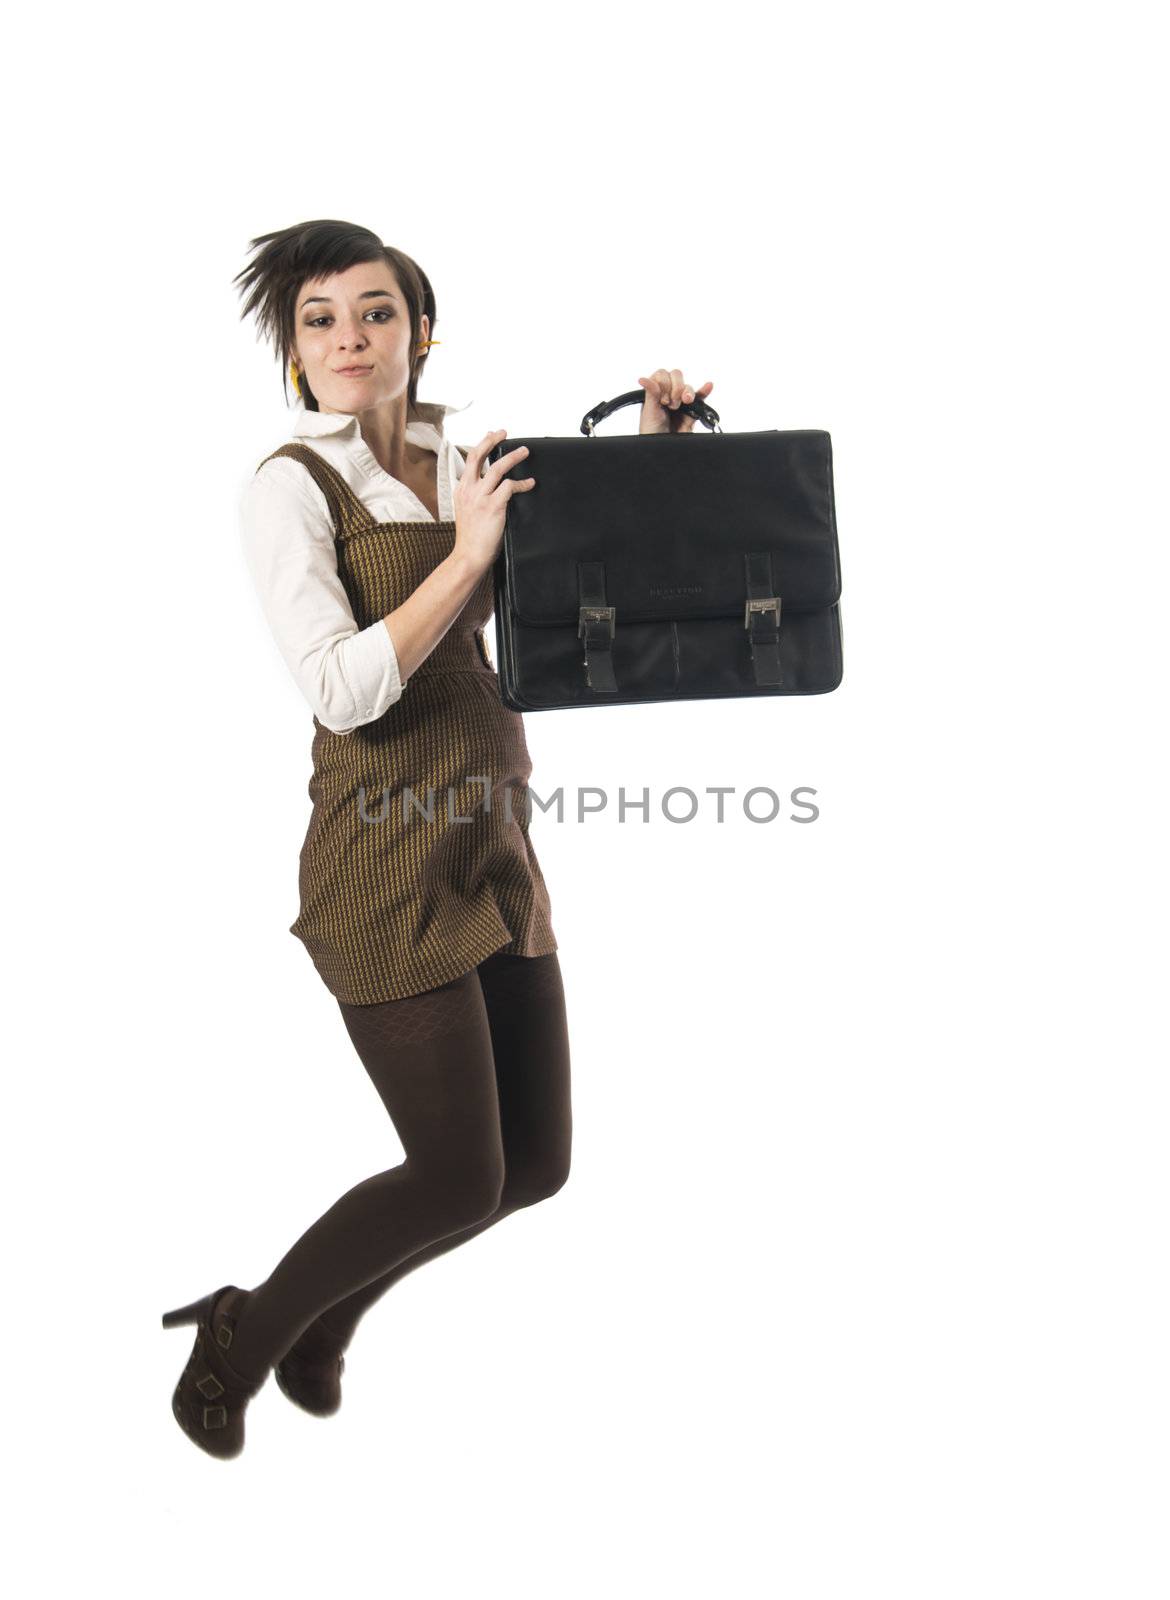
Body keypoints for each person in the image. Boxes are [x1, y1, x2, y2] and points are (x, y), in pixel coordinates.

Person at [162, 216, 712, 1459]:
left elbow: (582, 593)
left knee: (539, 1166)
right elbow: (341, 690)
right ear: (292, 353)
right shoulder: (286, 488)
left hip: (492, 838)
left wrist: (651, 456)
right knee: (459, 1174)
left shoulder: (467, 449)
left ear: (421, 327)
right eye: (319, 320)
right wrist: (464, 558)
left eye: (374, 311)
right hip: (382, 856)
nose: (349, 337)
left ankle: (314, 1325)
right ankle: (244, 1334)